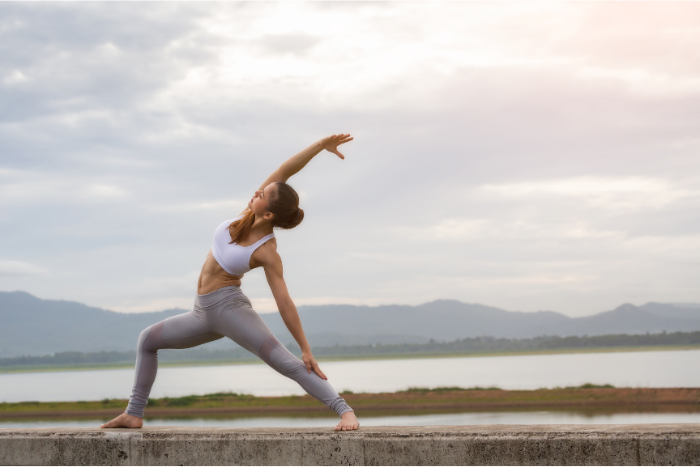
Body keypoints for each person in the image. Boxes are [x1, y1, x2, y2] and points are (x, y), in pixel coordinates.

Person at [101, 134, 360, 431]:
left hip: (230, 310)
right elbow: (286, 169)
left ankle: (345, 412)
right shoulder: (245, 216)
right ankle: (134, 414)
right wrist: (318, 146)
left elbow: (284, 302)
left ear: (269, 213)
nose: (257, 192)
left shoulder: (266, 251)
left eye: (262, 194)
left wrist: (306, 348)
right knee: (147, 340)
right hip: (201, 313)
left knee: (287, 363)